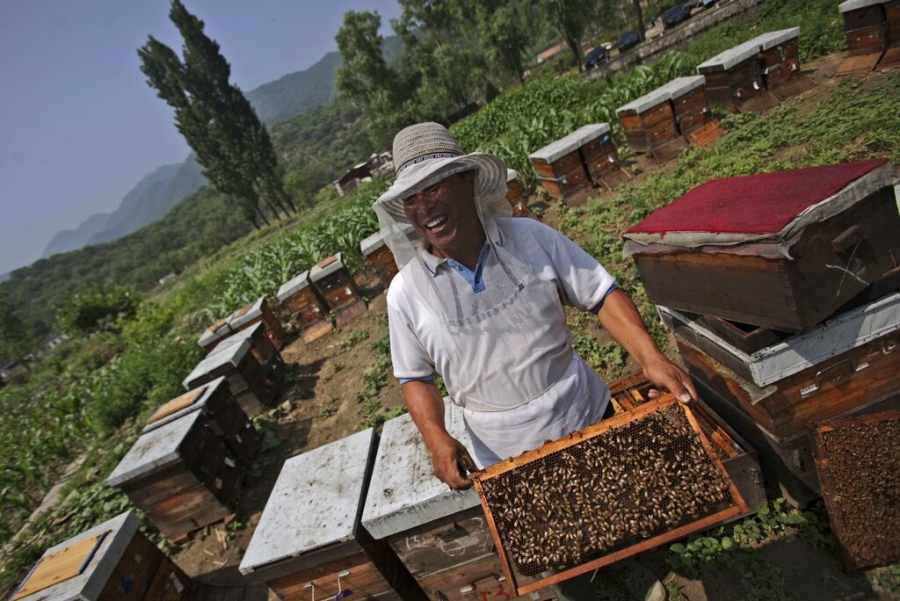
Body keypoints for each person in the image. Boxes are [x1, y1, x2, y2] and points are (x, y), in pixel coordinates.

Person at [372, 122, 696, 600]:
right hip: (502, 450)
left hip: (582, 412)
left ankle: (633, 564)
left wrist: (650, 357)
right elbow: (416, 378)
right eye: (413, 198)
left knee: (623, 511)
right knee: (557, 545)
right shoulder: (405, 293)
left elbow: (600, 293)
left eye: (435, 186)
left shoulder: (530, 237)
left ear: (467, 179)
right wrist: (436, 437)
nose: (426, 207)